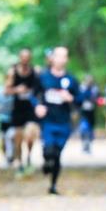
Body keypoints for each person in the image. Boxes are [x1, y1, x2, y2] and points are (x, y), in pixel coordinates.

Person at [34, 46, 79, 195]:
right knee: (49, 150)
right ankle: (46, 162)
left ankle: (53, 185)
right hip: (48, 121)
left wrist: (71, 98)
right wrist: (37, 106)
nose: (60, 59)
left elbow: (80, 98)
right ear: (52, 58)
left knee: (57, 154)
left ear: (67, 59)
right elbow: (33, 95)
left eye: (64, 56)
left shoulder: (71, 80)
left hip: (64, 122)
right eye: (58, 56)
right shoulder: (43, 77)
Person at [4, 48, 42, 172]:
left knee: (31, 134)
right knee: (18, 138)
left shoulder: (35, 71)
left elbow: (41, 88)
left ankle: (29, 156)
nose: (25, 59)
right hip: (18, 109)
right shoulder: (12, 72)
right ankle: (20, 161)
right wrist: (17, 90)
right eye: (23, 56)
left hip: (31, 108)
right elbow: (6, 91)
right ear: (19, 57)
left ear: (30, 58)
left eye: (27, 57)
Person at [0, 81, 16, 167]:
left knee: (10, 138)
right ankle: (6, 158)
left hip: (13, 121)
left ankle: (11, 157)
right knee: (4, 139)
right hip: (2, 121)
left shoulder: (15, 94)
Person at [78, 75, 100, 154]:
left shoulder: (95, 89)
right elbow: (78, 99)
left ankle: (88, 144)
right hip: (83, 112)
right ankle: (85, 143)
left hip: (91, 112)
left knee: (90, 129)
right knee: (84, 128)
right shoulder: (81, 88)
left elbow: (98, 99)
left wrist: (99, 101)